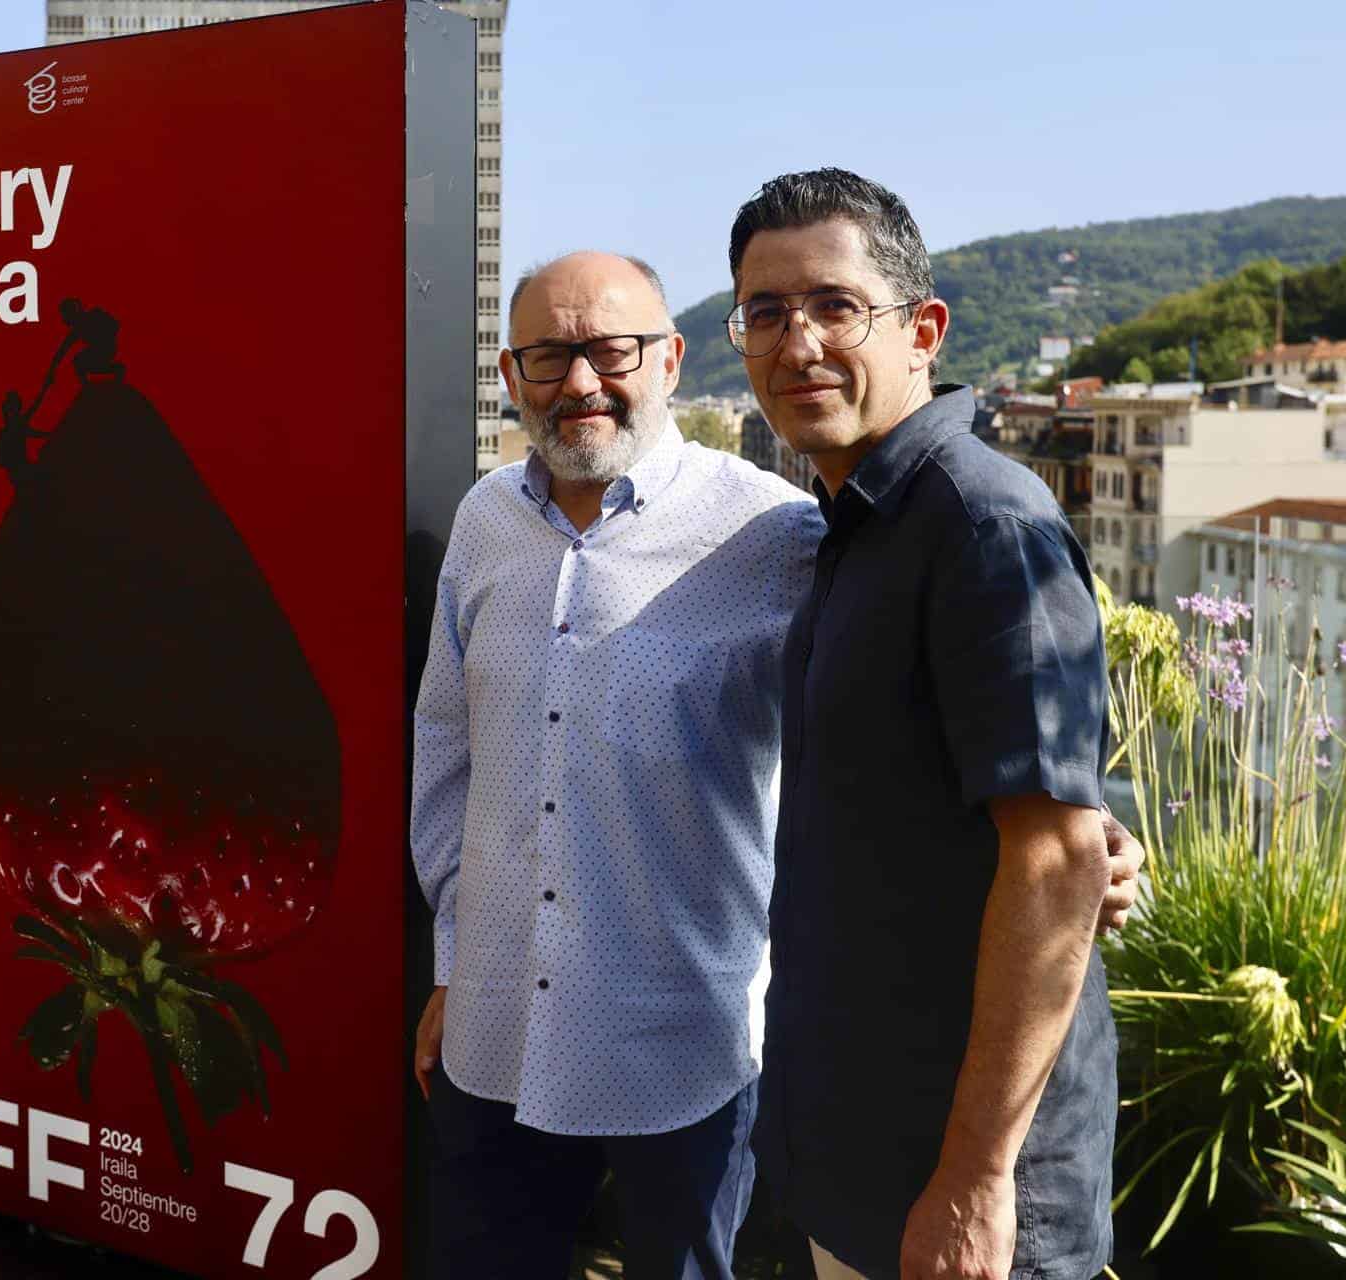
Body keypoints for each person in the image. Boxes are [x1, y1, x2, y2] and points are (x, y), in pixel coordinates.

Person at [409, 251, 1140, 1279]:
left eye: (609, 350)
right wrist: (452, 958)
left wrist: (1078, 828)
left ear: (668, 358)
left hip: (685, 1046)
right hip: (493, 1027)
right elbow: (447, 745)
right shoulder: (484, 523)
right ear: (509, 372)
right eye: (549, 355)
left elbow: (902, 710)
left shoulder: (774, 533)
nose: (579, 381)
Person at [732, 168, 1119, 1280]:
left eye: (835, 306)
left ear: (923, 331)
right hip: (859, 1156)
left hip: (956, 1184)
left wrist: (977, 1177)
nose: (797, 341)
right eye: (765, 311)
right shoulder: (854, 525)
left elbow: (1054, 859)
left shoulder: (979, 522)